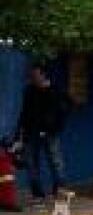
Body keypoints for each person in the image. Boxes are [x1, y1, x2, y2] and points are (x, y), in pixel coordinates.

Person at [18, 65, 71, 205]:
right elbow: (24, 112)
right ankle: (37, 193)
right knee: (31, 162)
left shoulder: (55, 91)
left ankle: (59, 189)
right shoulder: (29, 91)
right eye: (31, 76)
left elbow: (64, 110)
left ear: (43, 75)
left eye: (35, 75)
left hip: (50, 132)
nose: (33, 78)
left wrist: (53, 127)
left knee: (55, 160)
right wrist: (20, 132)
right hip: (31, 131)